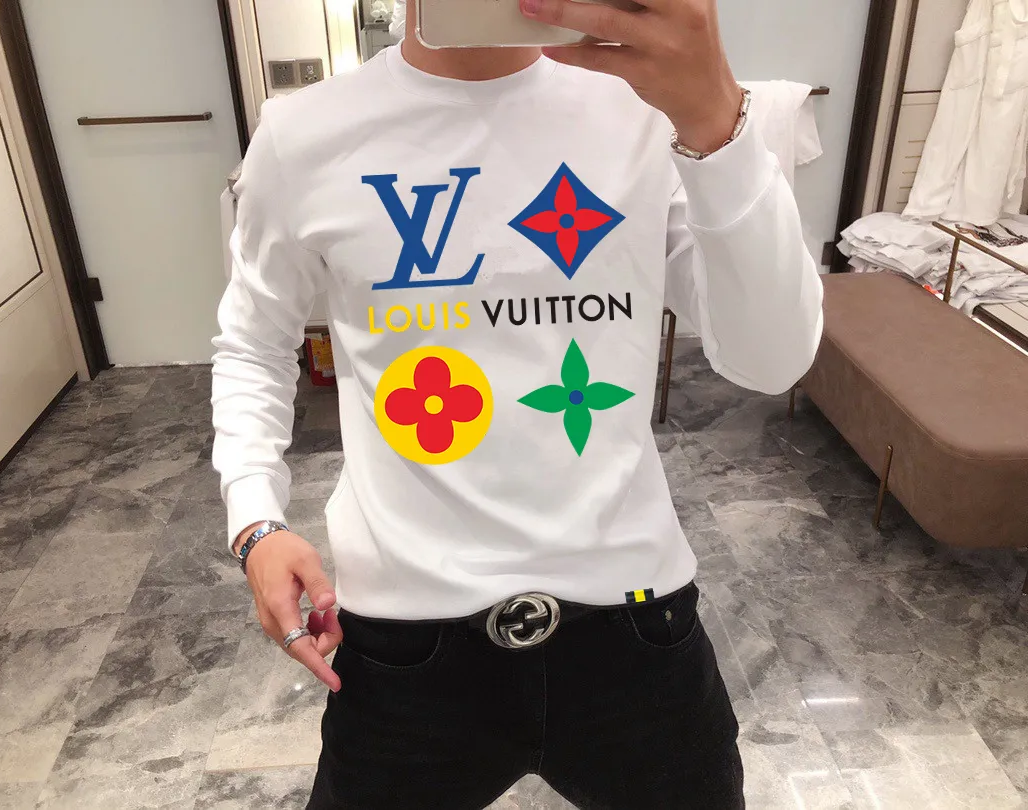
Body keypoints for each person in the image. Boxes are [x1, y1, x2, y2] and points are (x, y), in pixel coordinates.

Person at [211, 0, 823, 807]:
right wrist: (255, 520)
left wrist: (716, 122)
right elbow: (254, 342)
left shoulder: (648, 109)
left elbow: (772, 359)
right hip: (404, 638)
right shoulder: (303, 135)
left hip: (634, 618)